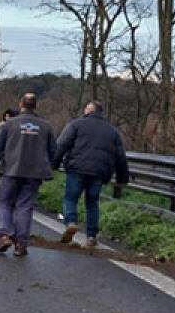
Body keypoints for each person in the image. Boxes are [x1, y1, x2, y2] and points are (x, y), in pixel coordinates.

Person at [53, 100, 130, 249]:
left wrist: (54, 163)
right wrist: (122, 178)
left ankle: (71, 222)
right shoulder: (113, 131)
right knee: (92, 203)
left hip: (77, 168)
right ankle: (91, 236)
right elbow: (120, 156)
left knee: (70, 198)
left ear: (88, 110)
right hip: (99, 172)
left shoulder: (76, 124)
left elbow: (62, 144)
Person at [0, 92, 56, 257]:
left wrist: (3, 162)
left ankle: (4, 235)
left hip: (10, 171)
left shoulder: (9, 124)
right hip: (33, 173)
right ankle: (20, 244)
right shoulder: (45, 126)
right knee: (24, 206)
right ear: (36, 106)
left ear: (21, 105)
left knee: (4, 202)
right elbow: (53, 151)